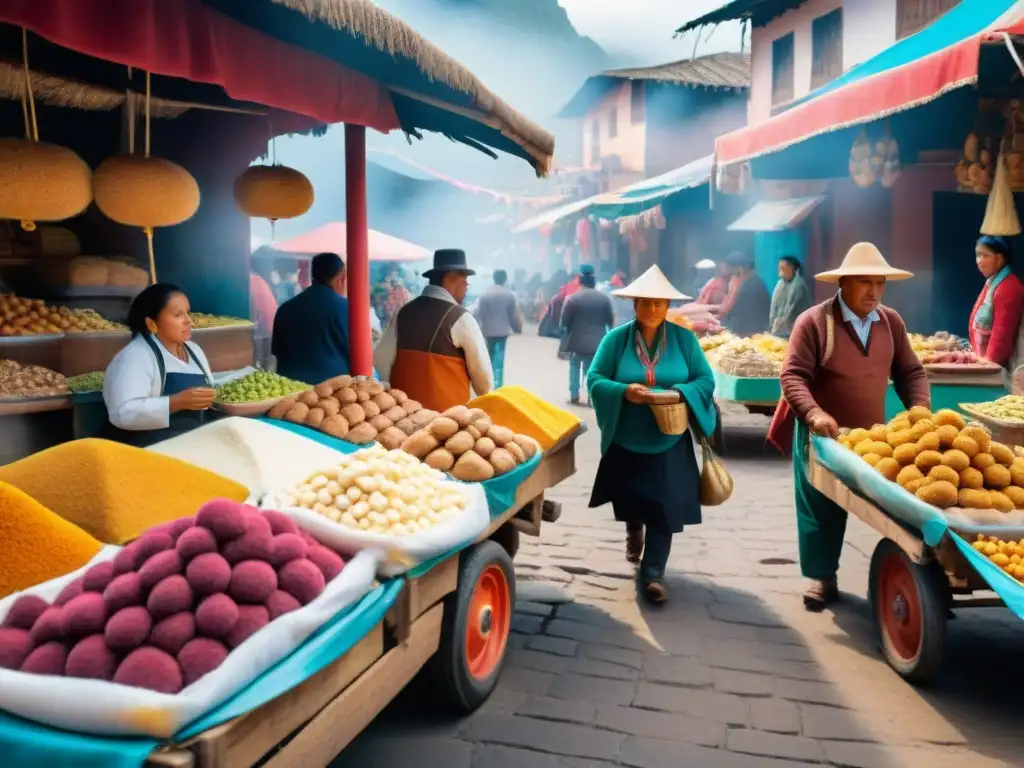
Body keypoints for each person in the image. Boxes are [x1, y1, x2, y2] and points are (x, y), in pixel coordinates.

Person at [768, 243, 930, 611]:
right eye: (864, 282)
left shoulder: (891, 322)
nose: (873, 291)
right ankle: (821, 577)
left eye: (880, 283)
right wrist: (814, 414)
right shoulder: (814, 321)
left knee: (896, 506)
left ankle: (908, 572)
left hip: (872, 439)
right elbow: (792, 376)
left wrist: (919, 409)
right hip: (821, 436)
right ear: (844, 283)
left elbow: (910, 372)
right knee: (819, 507)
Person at [588, 265, 717, 603]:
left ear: (667, 307)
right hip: (627, 438)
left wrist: (679, 393)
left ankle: (654, 573)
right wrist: (622, 391)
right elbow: (595, 379)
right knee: (633, 501)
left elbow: (705, 381)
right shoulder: (615, 340)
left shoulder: (684, 340)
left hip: (669, 439)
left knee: (665, 506)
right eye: (646, 303)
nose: (653, 310)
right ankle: (633, 528)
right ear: (635, 305)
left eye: (659, 304)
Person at [375, 249, 493, 412]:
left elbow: (381, 362)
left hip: (403, 415)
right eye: (465, 281)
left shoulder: (403, 313)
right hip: (446, 423)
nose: (466, 287)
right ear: (451, 278)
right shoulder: (461, 318)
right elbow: (484, 381)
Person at [103, 283, 217, 447]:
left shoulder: (194, 350)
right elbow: (123, 413)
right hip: (151, 449)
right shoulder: (136, 355)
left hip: (191, 443)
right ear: (151, 324)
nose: (188, 321)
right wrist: (175, 402)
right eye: (178, 314)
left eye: (188, 312)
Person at [271, 252, 356, 385]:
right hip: (333, 393)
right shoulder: (346, 308)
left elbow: (276, 352)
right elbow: (360, 354)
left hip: (289, 389)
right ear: (342, 277)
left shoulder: (285, 308)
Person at [561, 265, 614, 406]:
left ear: (581, 283)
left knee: (574, 367)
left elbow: (565, 321)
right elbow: (610, 321)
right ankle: (591, 397)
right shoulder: (604, 299)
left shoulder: (572, 299)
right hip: (597, 342)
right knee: (591, 370)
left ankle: (574, 395)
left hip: (576, 341)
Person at [969, 235, 1024, 370]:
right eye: (978, 255)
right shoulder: (993, 283)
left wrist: (988, 367)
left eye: (985, 256)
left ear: (999, 259)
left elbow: (1001, 336)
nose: (979, 261)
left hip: (1001, 367)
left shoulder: (1009, 287)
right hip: (984, 360)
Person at [474, 269, 522, 388]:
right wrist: (517, 327)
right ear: (505, 279)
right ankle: (498, 386)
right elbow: (513, 315)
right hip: (502, 332)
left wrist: (477, 328)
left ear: (494, 278)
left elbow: (480, 313)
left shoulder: (485, 294)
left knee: (489, 357)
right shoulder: (509, 295)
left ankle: (488, 384)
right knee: (499, 360)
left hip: (488, 331)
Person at [716, 252, 771, 336]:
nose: (732, 276)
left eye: (732, 271)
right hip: (743, 330)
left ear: (740, 269)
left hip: (751, 334)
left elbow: (728, 310)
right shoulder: (753, 281)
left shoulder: (752, 285)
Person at [769, 256, 812, 338]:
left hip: (796, 333)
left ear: (793, 269)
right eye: (779, 269)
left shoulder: (798, 286)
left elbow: (790, 314)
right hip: (782, 333)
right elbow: (775, 307)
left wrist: (778, 327)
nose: (780, 273)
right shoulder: (782, 284)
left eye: (783, 269)